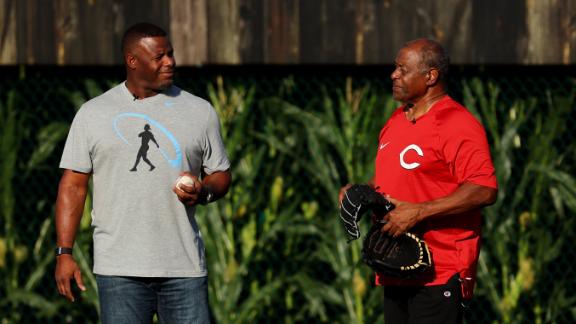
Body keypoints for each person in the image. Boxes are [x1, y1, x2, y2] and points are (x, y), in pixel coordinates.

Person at [54, 22, 231, 323]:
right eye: (160, 56)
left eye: (171, 54)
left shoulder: (200, 112)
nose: (170, 62)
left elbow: (221, 175)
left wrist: (204, 191)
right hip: (119, 271)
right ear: (132, 60)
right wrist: (64, 252)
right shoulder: (93, 113)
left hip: (183, 269)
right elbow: (73, 186)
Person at [340, 39, 497, 323]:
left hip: (439, 271)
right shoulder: (397, 120)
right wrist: (363, 192)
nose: (393, 75)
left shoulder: (457, 123)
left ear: (430, 76)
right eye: (395, 68)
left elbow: (484, 188)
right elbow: (397, 179)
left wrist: (419, 211)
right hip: (396, 266)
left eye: (402, 69)